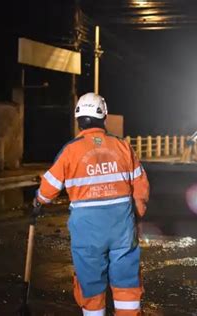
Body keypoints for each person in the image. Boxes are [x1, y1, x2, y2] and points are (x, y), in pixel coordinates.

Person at [34, 92, 150, 315]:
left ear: (78, 120)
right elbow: (141, 186)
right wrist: (136, 215)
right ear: (103, 116)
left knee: (90, 280)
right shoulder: (122, 147)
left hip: (87, 231)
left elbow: (48, 187)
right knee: (126, 279)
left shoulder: (70, 150)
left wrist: (38, 200)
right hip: (121, 227)